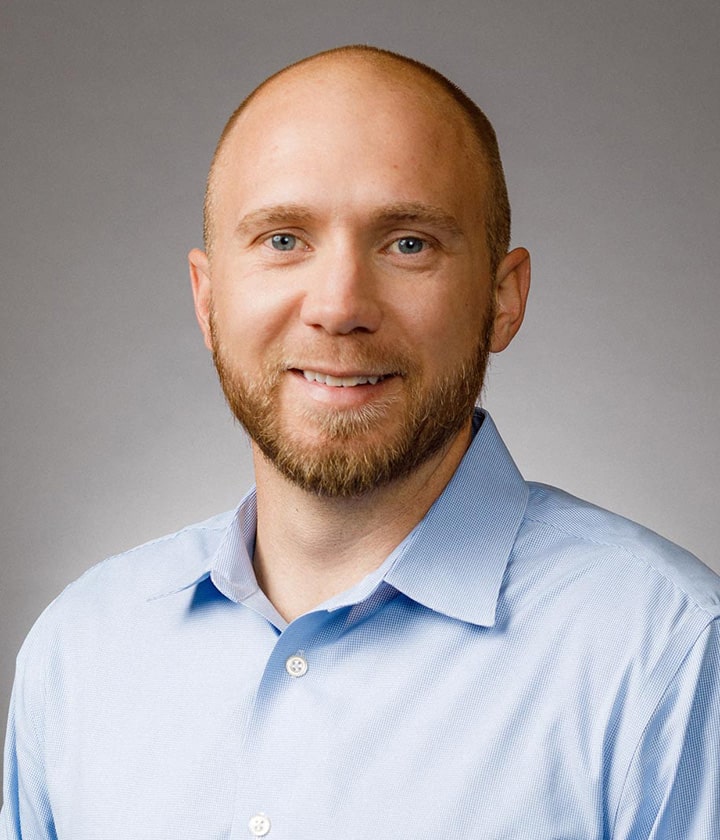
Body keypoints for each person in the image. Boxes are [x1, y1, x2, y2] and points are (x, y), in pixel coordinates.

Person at [2, 45, 719, 840]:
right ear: (207, 302)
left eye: (408, 242)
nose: (340, 306)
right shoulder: (80, 653)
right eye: (283, 240)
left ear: (503, 298)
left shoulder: (669, 657)